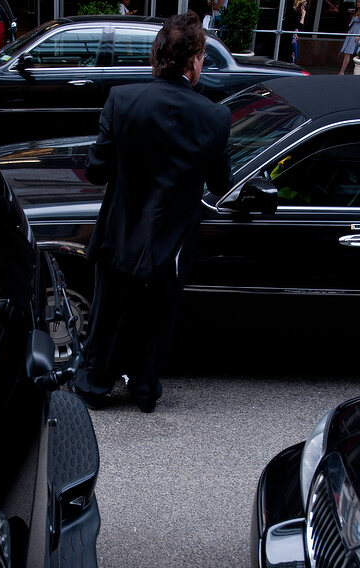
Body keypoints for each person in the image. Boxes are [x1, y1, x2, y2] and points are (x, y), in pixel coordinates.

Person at [71, 12, 232, 413]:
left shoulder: (122, 100)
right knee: (158, 317)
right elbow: (220, 184)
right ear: (195, 60)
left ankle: (94, 384)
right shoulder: (215, 116)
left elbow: (95, 171)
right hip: (172, 240)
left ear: (156, 55)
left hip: (120, 230)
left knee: (107, 311)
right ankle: (144, 390)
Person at [338, 0, 360, 74]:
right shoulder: (356, 11)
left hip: (356, 34)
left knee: (356, 53)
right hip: (352, 32)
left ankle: (357, 71)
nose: (357, 3)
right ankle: (342, 71)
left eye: (359, 2)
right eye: (357, 2)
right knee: (347, 52)